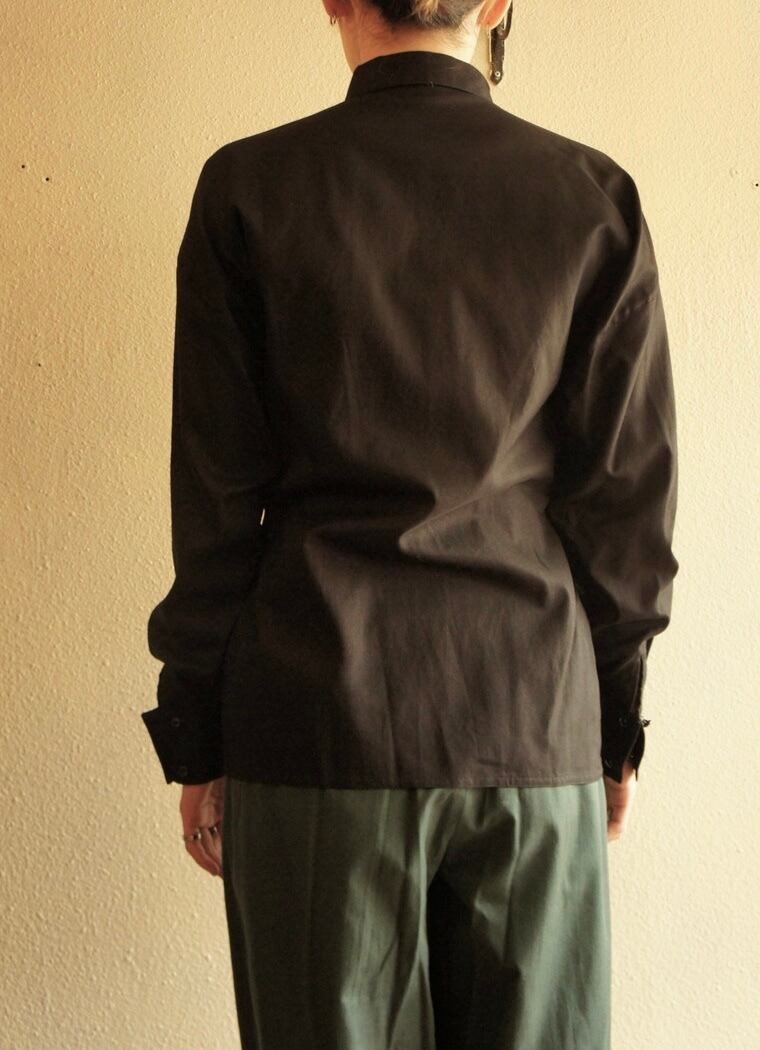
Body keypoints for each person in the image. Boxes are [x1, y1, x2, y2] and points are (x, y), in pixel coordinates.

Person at [140, 1, 679, 1047]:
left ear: (335, 0)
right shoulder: (590, 196)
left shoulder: (248, 189)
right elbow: (625, 506)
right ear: (497, 4)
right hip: (527, 716)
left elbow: (214, 503)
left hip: (314, 719)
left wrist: (196, 730)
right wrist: (614, 729)